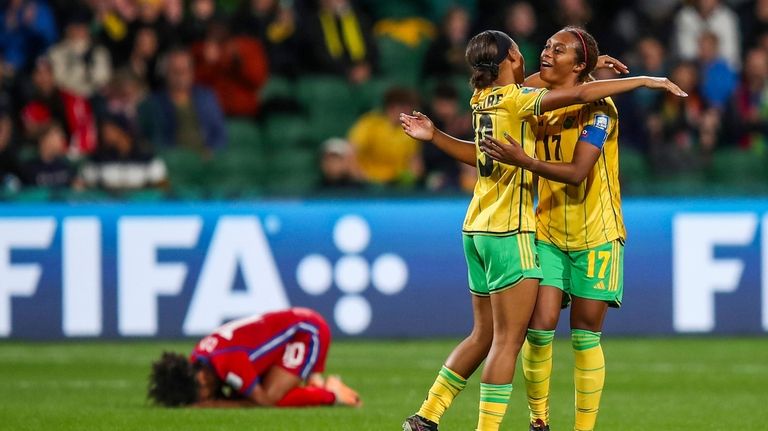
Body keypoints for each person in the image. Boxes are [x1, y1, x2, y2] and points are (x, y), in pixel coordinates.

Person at [400, 30, 685, 431]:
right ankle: (538, 422)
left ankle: (430, 416)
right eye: (542, 48)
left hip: (592, 232)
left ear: (578, 63)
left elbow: (577, 171)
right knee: (529, 331)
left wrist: (597, 72)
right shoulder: (526, 100)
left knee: (578, 336)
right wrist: (640, 79)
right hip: (533, 231)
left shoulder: (594, 110)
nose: (544, 54)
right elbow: (550, 89)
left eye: (557, 50)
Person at [148, 307, 361, 408]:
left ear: (201, 379)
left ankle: (332, 394)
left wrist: (215, 405)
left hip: (306, 331)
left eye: (199, 395)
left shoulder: (228, 363)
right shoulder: (201, 357)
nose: (202, 399)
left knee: (273, 397)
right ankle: (318, 387)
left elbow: (264, 402)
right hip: (292, 331)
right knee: (253, 393)